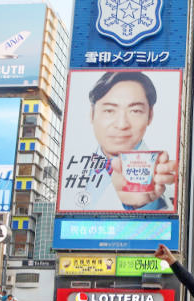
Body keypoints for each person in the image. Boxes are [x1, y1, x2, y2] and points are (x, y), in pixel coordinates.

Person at [68, 71, 178, 212]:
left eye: (135, 111)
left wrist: (142, 206)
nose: (121, 124)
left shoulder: (167, 176)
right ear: (92, 114)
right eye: (109, 111)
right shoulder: (71, 165)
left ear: (150, 116)